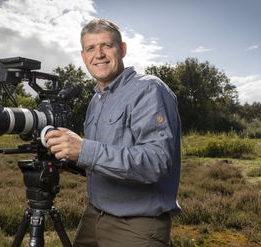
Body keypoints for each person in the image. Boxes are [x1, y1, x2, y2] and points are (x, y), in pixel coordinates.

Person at [45, 19, 181, 247]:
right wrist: (68, 154)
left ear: (123, 49)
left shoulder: (148, 89)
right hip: (93, 216)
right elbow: (101, 158)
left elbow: (157, 161)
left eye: (106, 46)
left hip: (136, 225)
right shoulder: (96, 100)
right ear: (83, 56)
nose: (98, 54)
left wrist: (84, 149)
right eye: (90, 48)